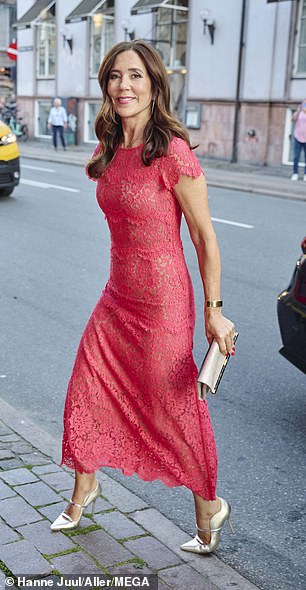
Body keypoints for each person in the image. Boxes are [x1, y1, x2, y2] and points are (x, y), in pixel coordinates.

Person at [50, 40, 236, 555]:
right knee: (85, 387)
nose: (123, 86)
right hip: (117, 297)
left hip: (163, 305)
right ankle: (85, 485)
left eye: (134, 76)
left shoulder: (171, 151)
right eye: (114, 76)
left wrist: (213, 313)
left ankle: (209, 507)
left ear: (154, 84)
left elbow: (204, 238)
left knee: (173, 408)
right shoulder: (107, 145)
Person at [291, 99, 306, 181]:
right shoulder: (299, 113)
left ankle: (305, 174)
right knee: (296, 157)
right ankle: (295, 173)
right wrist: (298, 111)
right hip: (298, 137)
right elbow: (293, 119)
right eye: (304, 104)